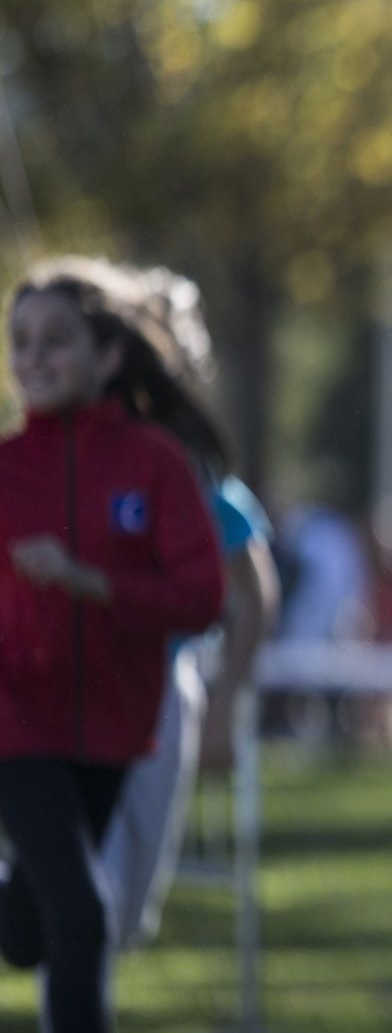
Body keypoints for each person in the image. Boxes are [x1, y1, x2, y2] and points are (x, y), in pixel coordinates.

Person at [0, 257, 225, 1033]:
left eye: (55, 340)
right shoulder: (4, 469)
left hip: (116, 726)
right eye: (19, 341)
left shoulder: (156, 463)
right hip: (14, 721)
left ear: (108, 355)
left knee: (28, 930)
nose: (33, 358)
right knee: (85, 915)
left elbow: (203, 600)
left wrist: (89, 581)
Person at [98, 265, 279, 952]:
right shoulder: (68, 449)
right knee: (80, 896)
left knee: (124, 911)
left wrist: (225, 704)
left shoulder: (197, 466)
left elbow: (253, 587)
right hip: (64, 691)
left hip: (161, 691)